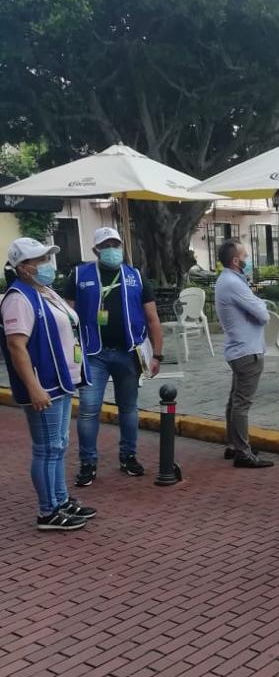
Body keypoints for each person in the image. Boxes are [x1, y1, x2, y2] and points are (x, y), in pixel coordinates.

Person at [0, 239, 96, 531]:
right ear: (22, 267)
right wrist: (33, 388)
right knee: (46, 448)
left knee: (59, 445)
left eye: (46, 258)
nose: (46, 265)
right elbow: (16, 346)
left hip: (61, 379)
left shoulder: (45, 291)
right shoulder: (18, 298)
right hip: (44, 384)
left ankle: (60, 500)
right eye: (39, 260)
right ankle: (47, 511)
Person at [64, 227, 164, 487]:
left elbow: (153, 318)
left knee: (128, 408)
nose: (112, 250)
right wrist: (70, 352)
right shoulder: (79, 275)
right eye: (106, 245)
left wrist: (157, 355)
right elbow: (67, 318)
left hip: (128, 353)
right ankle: (88, 463)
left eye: (115, 244)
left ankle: (128, 456)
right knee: (89, 409)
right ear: (96, 250)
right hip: (93, 354)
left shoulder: (136, 276)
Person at [214, 238, 273, 469]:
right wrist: (258, 308)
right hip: (247, 350)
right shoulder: (233, 283)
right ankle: (242, 452)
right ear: (236, 261)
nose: (248, 259)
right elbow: (264, 314)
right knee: (241, 403)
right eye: (245, 256)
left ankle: (234, 444)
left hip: (240, 349)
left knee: (235, 400)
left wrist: (257, 307)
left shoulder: (229, 280)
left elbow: (257, 307)